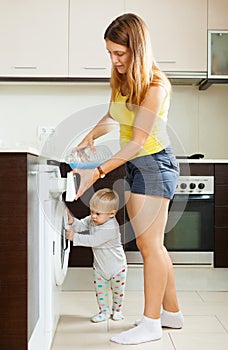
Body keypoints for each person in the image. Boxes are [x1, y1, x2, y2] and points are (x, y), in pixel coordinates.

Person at [70, 13, 184, 345]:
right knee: (155, 246)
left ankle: (150, 324)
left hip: (153, 163)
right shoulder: (122, 80)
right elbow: (113, 116)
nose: (115, 60)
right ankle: (171, 314)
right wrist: (89, 137)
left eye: (120, 53)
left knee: (149, 247)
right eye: (110, 53)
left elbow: (136, 140)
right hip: (137, 165)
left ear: (138, 49)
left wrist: (99, 170)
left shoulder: (155, 86)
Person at [65, 188, 127, 323]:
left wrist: (74, 237)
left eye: (97, 213)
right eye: (92, 211)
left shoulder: (110, 227)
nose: (93, 216)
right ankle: (104, 312)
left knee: (118, 292)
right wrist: (72, 222)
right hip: (100, 268)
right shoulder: (94, 220)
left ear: (111, 214)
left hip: (117, 268)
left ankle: (117, 310)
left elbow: (94, 241)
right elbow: (81, 225)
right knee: (101, 293)